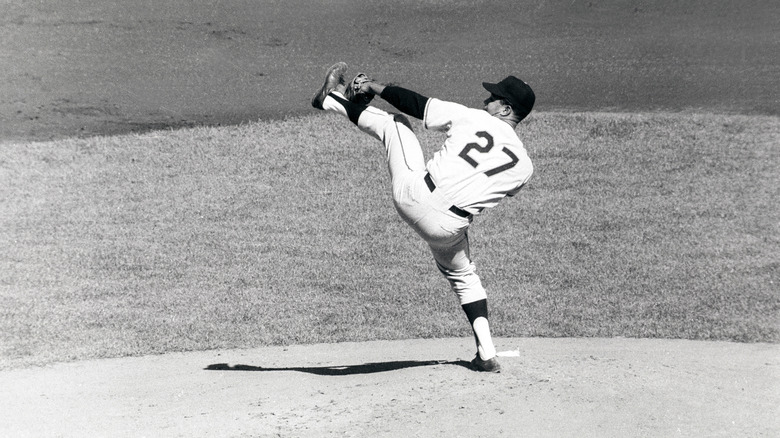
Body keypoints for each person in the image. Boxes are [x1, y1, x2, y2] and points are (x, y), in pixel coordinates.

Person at [311, 62, 535, 372]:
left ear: (506, 109)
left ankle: (331, 98)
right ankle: (486, 354)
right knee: (464, 277)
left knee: (396, 125)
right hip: (447, 229)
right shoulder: (524, 168)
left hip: (415, 194)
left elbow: (418, 104)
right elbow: (497, 188)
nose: (487, 100)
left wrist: (373, 86)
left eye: (494, 98)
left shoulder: (475, 118)